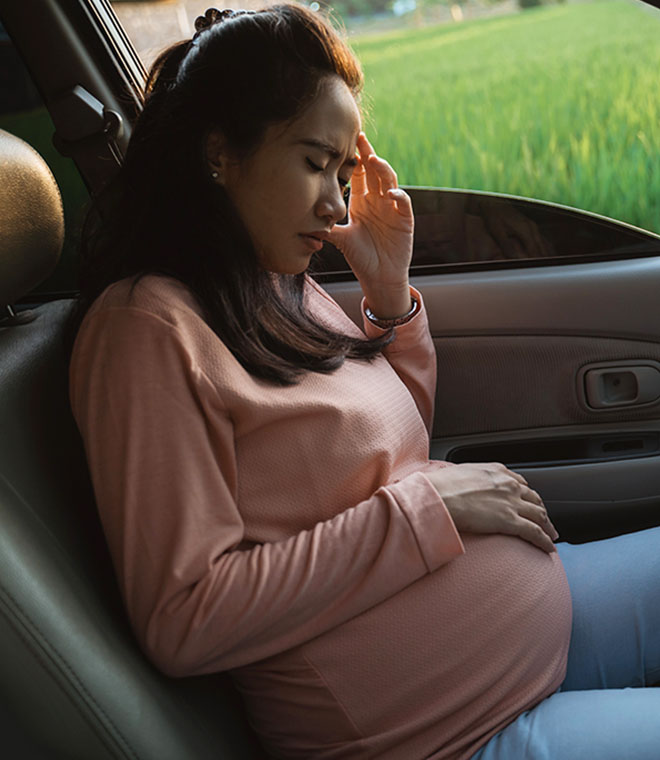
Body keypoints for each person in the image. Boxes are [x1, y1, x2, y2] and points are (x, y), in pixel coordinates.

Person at [68, 4, 660, 759]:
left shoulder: (270, 283)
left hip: (544, 625)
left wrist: (389, 298)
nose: (337, 204)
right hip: (453, 733)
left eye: (344, 173)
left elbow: (396, 444)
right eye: (316, 163)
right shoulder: (145, 329)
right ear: (220, 154)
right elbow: (187, 617)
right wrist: (426, 505)